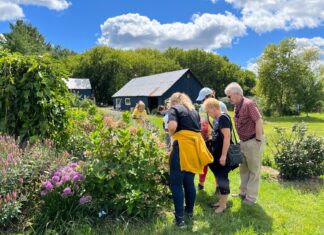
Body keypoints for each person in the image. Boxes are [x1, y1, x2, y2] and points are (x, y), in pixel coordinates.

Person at [167, 92, 213, 227]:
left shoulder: (175, 109)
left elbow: (172, 126)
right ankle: (189, 212)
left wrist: (172, 135)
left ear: (174, 101)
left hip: (182, 149)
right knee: (189, 182)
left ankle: (179, 219)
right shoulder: (194, 112)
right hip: (194, 150)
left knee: (176, 184)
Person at [224, 82, 265, 205]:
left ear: (237, 94)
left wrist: (258, 140)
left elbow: (258, 120)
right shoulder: (237, 106)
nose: (228, 98)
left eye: (229, 96)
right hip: (244, 142)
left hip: (253, 140)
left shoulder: (248, 104)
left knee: (254, 170)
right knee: (244, 169)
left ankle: (251, 197)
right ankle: (243, 193)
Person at [196, 87, 228, 193]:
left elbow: (226, 125)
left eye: (204, 99)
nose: (203, 101)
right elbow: (203, 124)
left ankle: (218, 187)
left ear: (210, 96)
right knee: (203, 162)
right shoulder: (202, 108)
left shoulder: (221, 105)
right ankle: (201, 184)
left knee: (217, 164)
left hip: (218, 140)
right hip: (206, 139)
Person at [203, 98, 232, 213]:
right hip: (217, 154)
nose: (208, 114)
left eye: (208, 111)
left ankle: (223, 205)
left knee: (222, 179)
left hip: (222, 155)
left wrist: (224, 156)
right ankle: (220, 202)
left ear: (213, 108)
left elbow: (227, 137)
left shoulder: (223, 118)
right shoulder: (218, 119)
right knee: (219, 179)